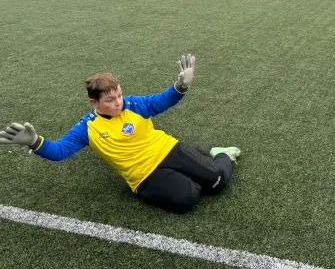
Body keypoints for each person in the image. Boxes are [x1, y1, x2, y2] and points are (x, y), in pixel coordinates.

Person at [0, 55, 241, 214]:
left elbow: (162, 100)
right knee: (187, 200)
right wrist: (34, 141)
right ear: (94, 102)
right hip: (142, 175)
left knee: (217, 183)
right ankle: (195, 159)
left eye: (119, 95)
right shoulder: (87, 127)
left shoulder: (133, 105)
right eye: (110, 100)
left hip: (166, 149)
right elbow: (60, 151)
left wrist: (182, 85)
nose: (118, 102)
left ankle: (221, 154)